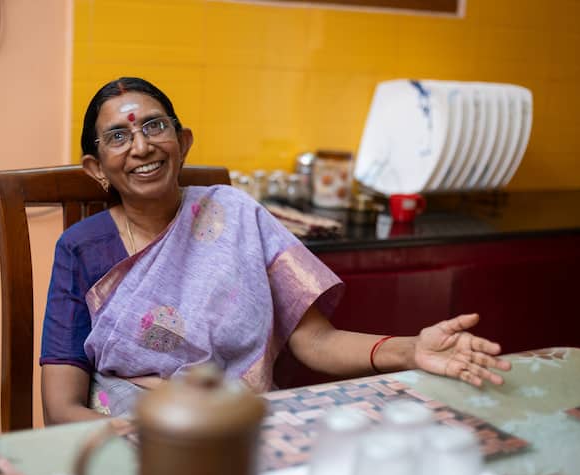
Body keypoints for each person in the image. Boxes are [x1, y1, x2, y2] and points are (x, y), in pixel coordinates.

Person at [40, 77, 511, 426]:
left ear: (182, 144)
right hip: (129, 430)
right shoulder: (81, 249)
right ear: (96, 168)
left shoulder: (235, 214)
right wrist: (162, 438)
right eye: (118, 137)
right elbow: (61, 408)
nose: (141, 146)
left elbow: (316, 342)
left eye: (154, 127)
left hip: (237, 421)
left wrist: (411, 350)